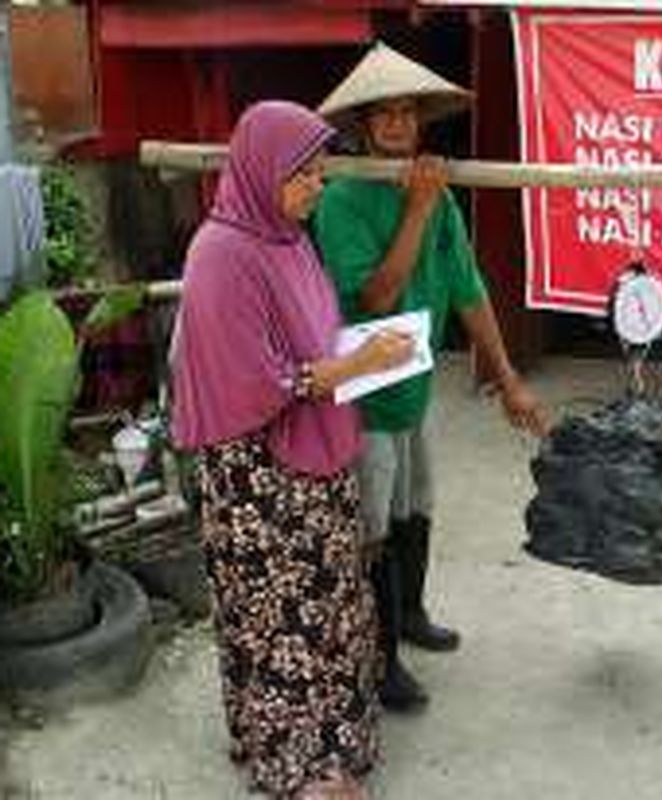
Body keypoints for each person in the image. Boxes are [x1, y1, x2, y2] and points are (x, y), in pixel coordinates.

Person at [171, 100, 414, 800]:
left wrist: (360, 357)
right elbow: (260, 381)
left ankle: (337, 743)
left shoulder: (287, 239)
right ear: (260, 170)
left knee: (331, 604)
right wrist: (360, 362)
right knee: (282, 618)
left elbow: (310, 343)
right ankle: (298, 766)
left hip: (316, 459)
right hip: (259, 480)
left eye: (321, 172)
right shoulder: (221, 254)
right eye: (302, 174)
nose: (317, 186)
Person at [313, 43, 547, 710]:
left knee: (418, 506)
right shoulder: (343, 200)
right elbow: (380, 296)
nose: (395, 126)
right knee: (374, 526)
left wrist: (508, 379)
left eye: (406, 114)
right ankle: (379, 661)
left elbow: (469, 290)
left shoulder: (437, 198)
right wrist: (416, 205)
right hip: (365, 394)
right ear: (363, 125)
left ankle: (409, 615)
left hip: (413, 388)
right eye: (382, 115)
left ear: (419, 123)